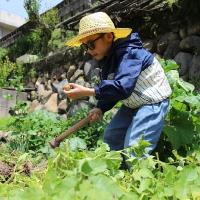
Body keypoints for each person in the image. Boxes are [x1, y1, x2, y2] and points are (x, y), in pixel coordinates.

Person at [64, 12, 172, 155]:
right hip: (132, 104)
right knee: (111, 138)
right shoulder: (108, 58)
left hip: (152, 102)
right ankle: (118, 173)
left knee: (135, 147)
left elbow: (122, 87)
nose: (89, 51)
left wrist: (90, 91)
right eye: (85, 47)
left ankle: (139, 175)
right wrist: (100, 108)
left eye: (91, 44)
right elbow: (112, 89)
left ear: (109, 36)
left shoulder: (130, 53)